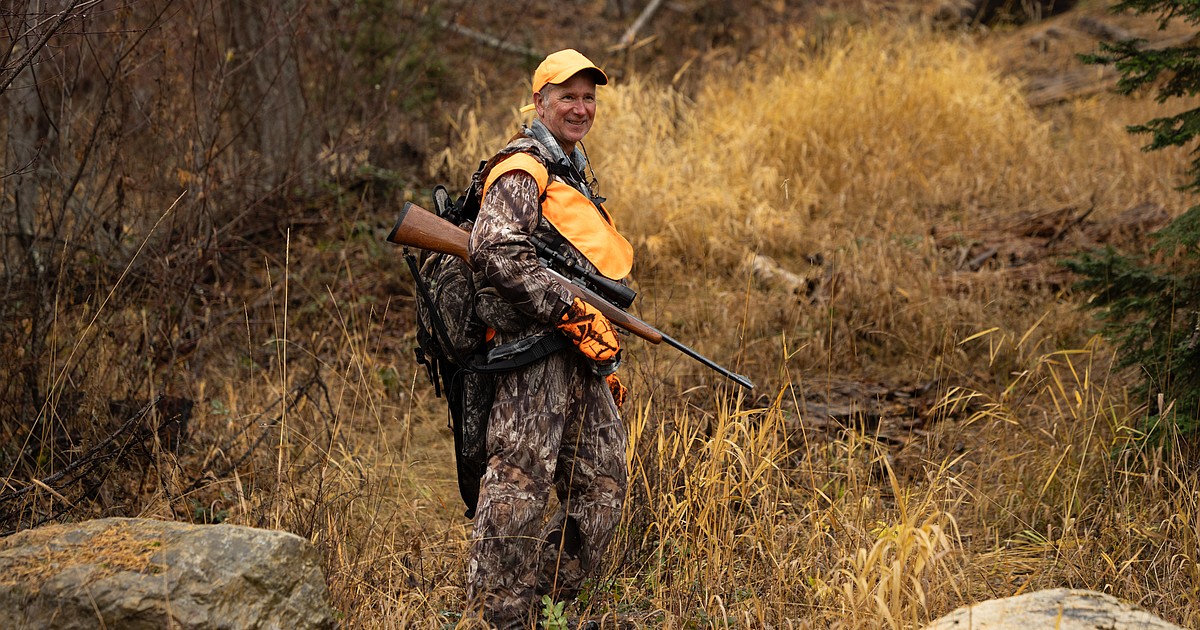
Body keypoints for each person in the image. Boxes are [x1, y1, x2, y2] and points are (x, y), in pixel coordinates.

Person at [463, 48, 632, 628]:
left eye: (588, 97)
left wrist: (601, 348)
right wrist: (574, 316)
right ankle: (495, 616)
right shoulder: (522, 166)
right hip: (529, 358)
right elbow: (494, 251)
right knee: (518, 488)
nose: (581, 107)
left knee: (603, 485)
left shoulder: (573, 168)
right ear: (540, 102)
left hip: (579, 356)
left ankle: (544, 604)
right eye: (568, 97)